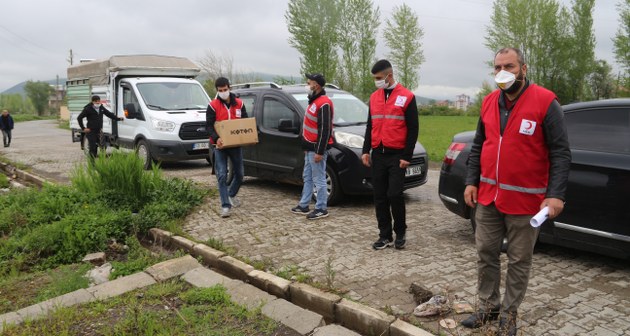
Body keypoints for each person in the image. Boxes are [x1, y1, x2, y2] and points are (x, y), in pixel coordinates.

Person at [462, 47, 571, 336]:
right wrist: (471, 181)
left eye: (509, 66)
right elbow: (479, 145)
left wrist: (556, 194)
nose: (503, 72)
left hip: (526, 201)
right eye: (497, 67)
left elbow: (560, 152)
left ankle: (509, 316)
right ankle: (488, 307)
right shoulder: (488, 103)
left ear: (523, 68)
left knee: (519, 260)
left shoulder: (546, 102)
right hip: (488, 197)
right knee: (485, 251)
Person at [361, 59, 419, 250]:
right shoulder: (374, 97)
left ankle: (400, 232)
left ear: (389, 76)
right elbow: (370, 125)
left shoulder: (407, 96)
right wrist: (365, 150)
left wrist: (407, 156)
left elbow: (413, 129)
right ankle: (384, 235)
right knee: (379, 196)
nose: (376, 81)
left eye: (378, 78)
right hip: (378, 153)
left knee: (394, 194)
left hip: (397, 156)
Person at [291, 73, 334, 220]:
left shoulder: (324, 103)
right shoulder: (314, 100)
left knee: (319, 179)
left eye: (309, 82)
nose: (307, 83)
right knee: (307, 177)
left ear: (316, 85)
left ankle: (321, 208)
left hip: (316, 149)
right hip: (309, 148)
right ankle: (304, 204)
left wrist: (319, 151)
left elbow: (325, 129)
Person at [206, 77, 247, 218]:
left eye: (225, 90)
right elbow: (209, 126)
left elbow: (245, 123)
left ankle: (230, 194)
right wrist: (217, 138)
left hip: (236, 145)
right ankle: (225, 205)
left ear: (229, 88)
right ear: (217, 91)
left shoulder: (240, 104)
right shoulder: (212, 106)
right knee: (222, 175)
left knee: (240, 174)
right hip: (220, 146)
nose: (223, 92)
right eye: (220, 91)